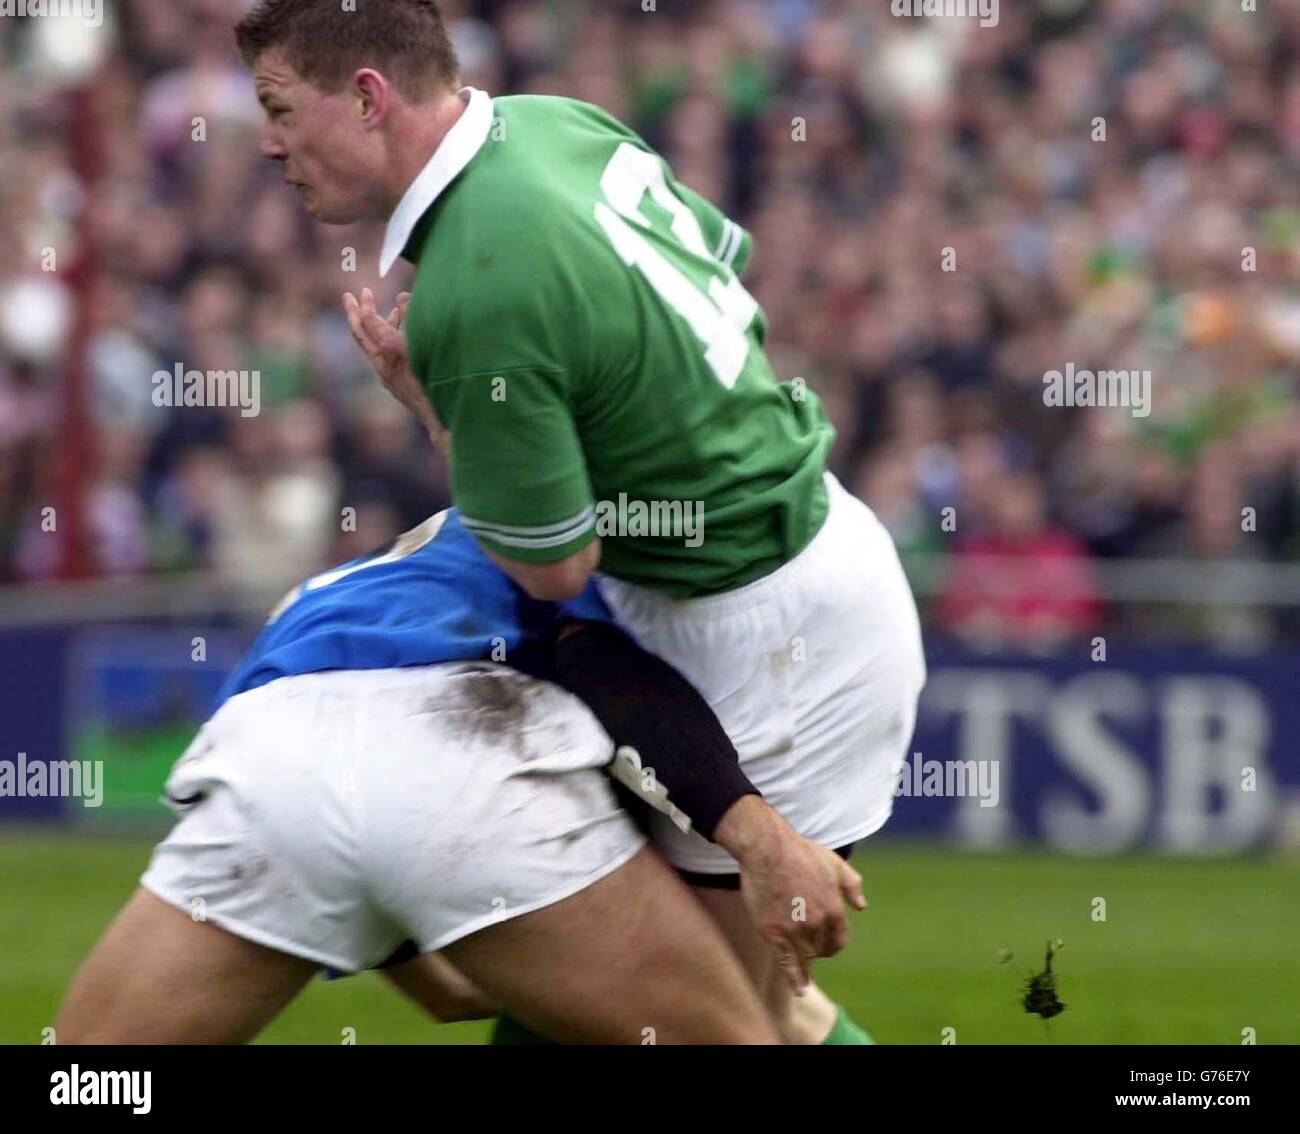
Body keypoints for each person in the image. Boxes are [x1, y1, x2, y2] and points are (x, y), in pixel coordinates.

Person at [237, 0, 925, 1044]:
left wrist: (440, 410)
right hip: (777, 570)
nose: (267, 142)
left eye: (280, 107)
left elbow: (554, 569)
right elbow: (721, 270)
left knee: (679, 1023)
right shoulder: (554, 122)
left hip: (760, 641)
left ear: (368, 97)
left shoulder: (478, 279)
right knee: (676, 1009)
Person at [58, 507, 864, 1044]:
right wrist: (758, 841)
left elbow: (442, 982)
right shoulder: (556, 544)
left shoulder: (326, 595)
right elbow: (614, 676)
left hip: (275, 764)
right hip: (469, 748)